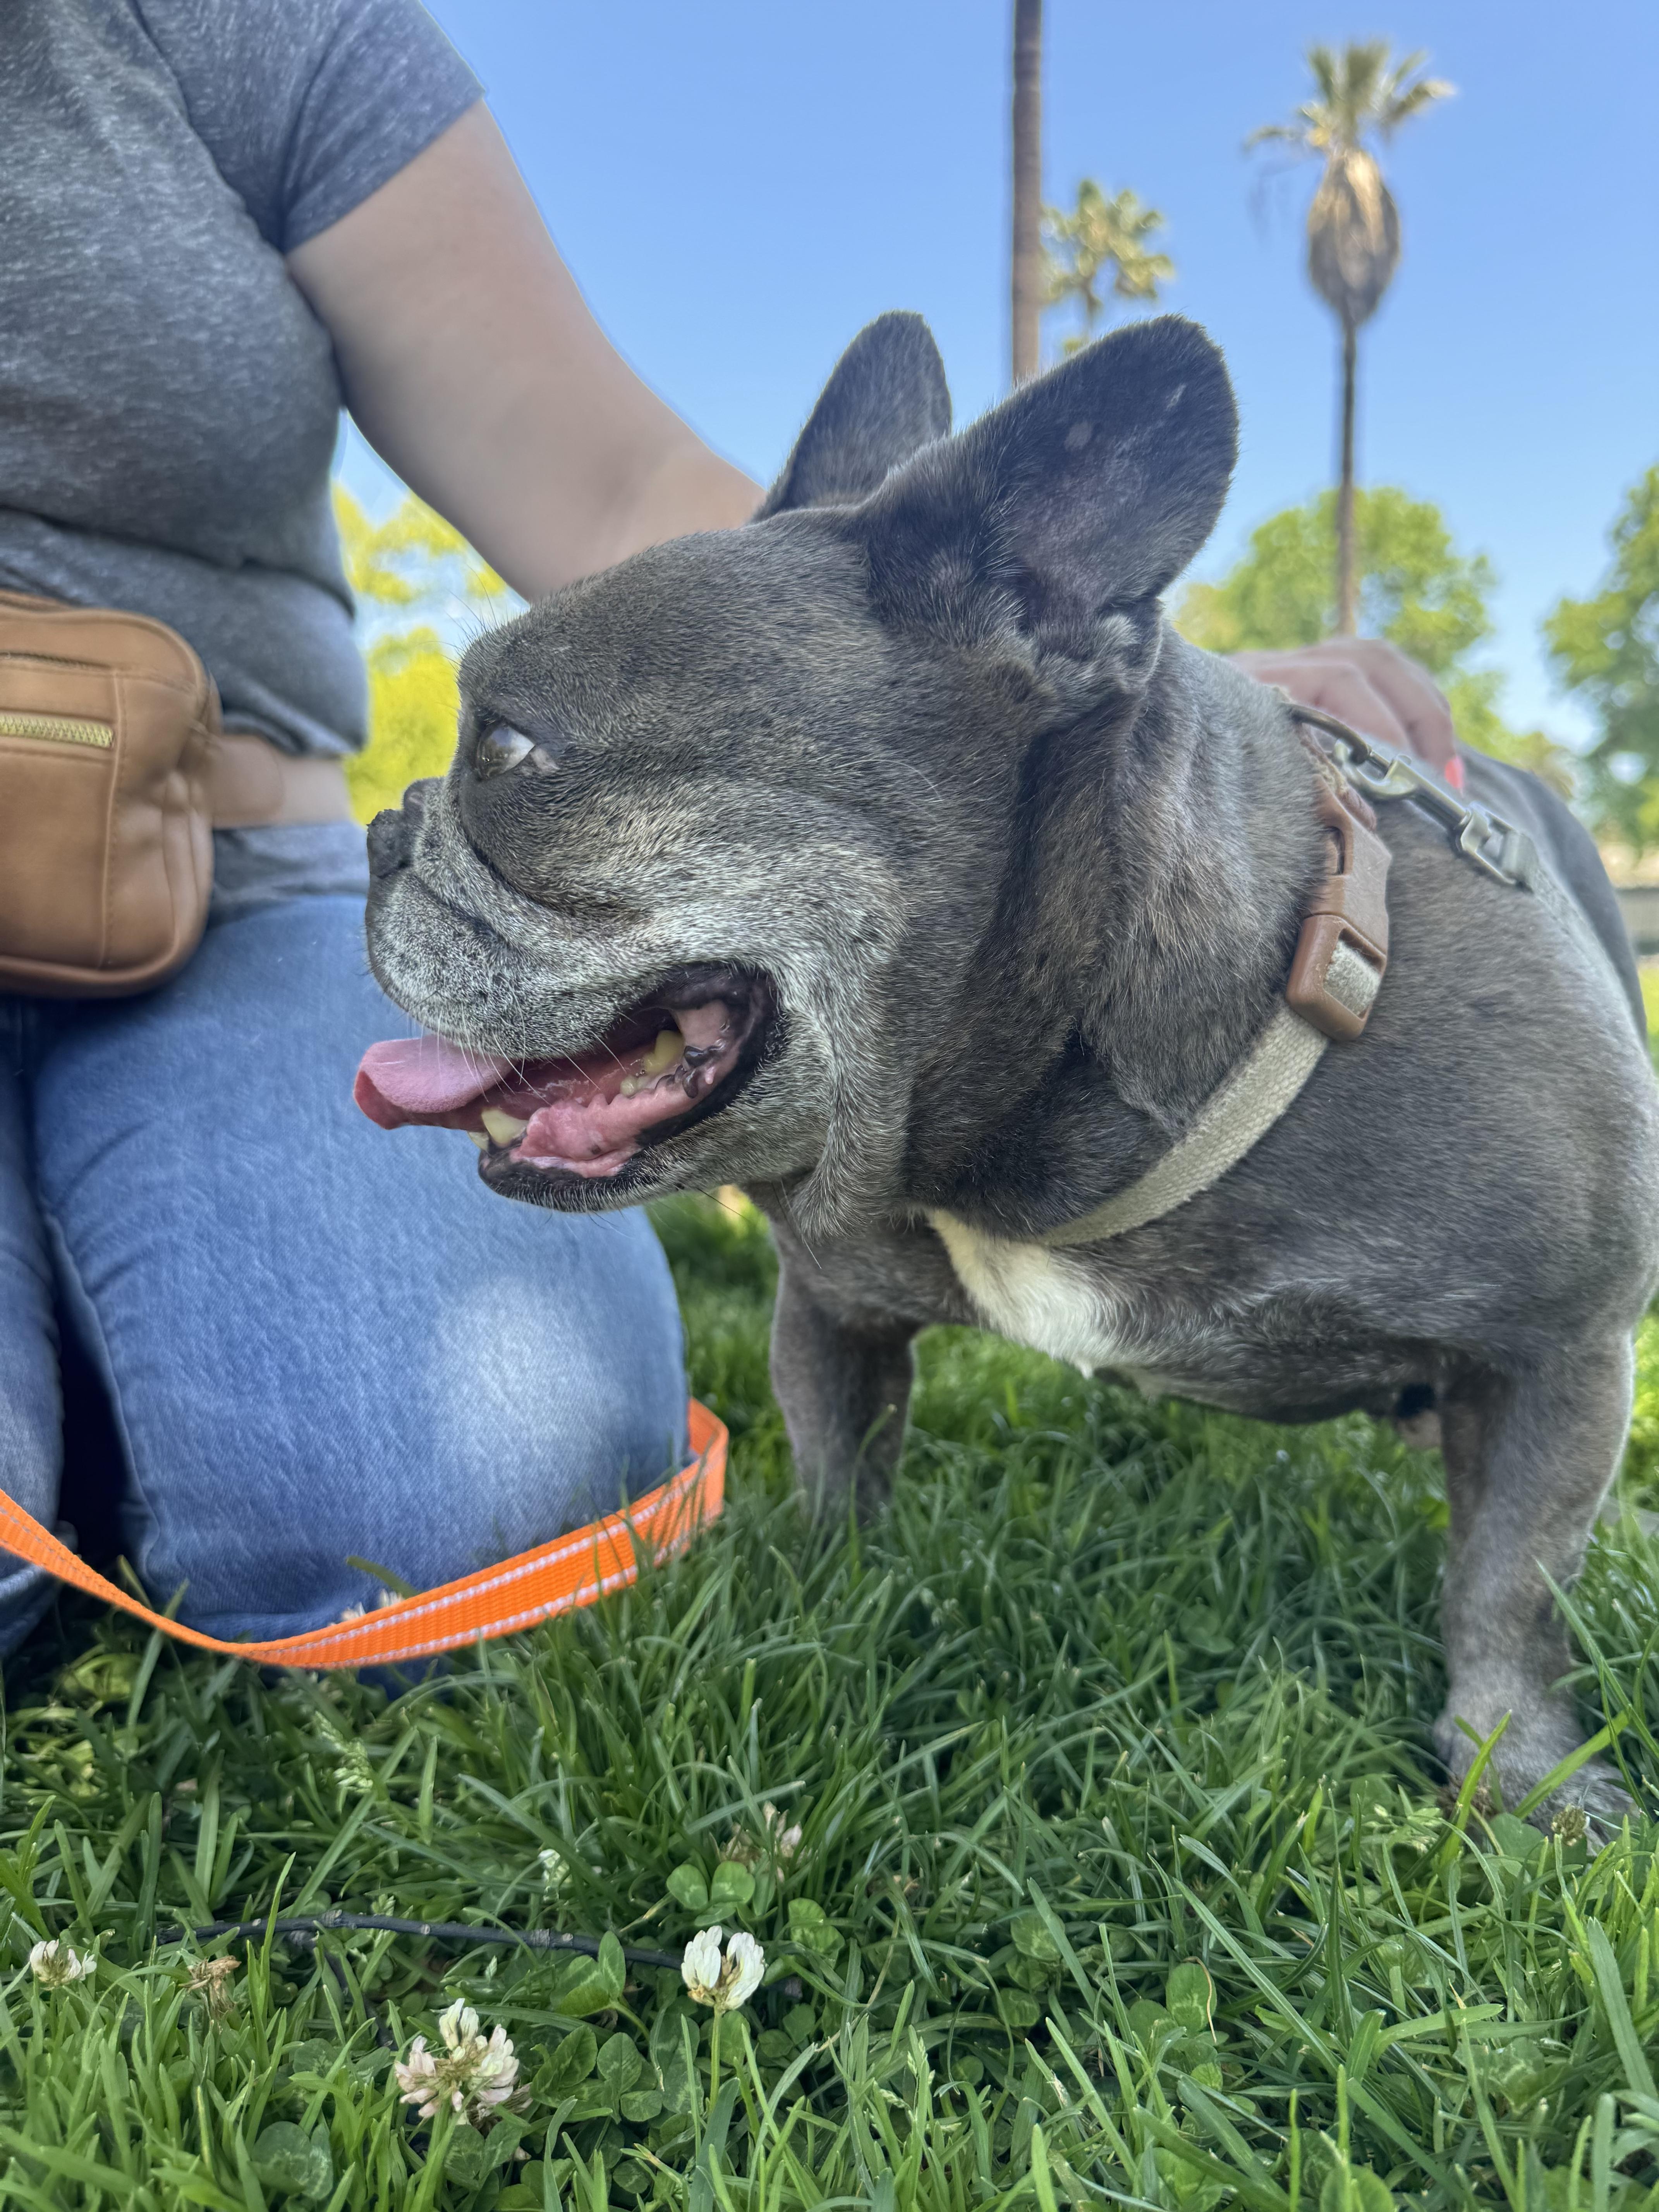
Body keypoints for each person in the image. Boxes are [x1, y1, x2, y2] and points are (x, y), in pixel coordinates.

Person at [0, 0, 1457, 1656]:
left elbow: (619, 493)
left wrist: (1057, 659)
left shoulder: (235, 28)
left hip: (241, 884)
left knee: (482, 1489)